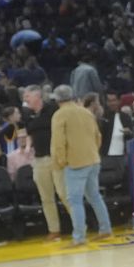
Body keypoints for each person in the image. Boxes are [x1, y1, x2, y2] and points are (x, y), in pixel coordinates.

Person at [50, 84, 113, 246]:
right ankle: (105, 229)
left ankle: (79, 237)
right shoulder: (85, 112)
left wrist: (62, 160)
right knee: (95, 196)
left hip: (75, 163)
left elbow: (59, 142)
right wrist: (93, 151)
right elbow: (97, 136)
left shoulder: (59, 115)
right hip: (93, 159)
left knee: (74, 200)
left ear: (57, 99)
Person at [23, 84, 69, 241]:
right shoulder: (27, 114)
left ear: (37, 96)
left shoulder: (52, 109)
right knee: (46, 197)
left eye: (28, 96)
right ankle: (54, 229)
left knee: (64, 194)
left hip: (55, 158)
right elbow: (28, 133)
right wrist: (28, 146)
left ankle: (79, 225)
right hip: (39, 159)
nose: (25, 99)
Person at [101, 90, 134, 157]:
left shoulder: (126, 117)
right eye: (109, 101)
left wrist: (129, 132)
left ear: (119, 101)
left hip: (123, 156)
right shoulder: (103, 117)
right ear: (106, 102)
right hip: (106, 157)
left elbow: (132, 136)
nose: (112, 103)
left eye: (114, 100)